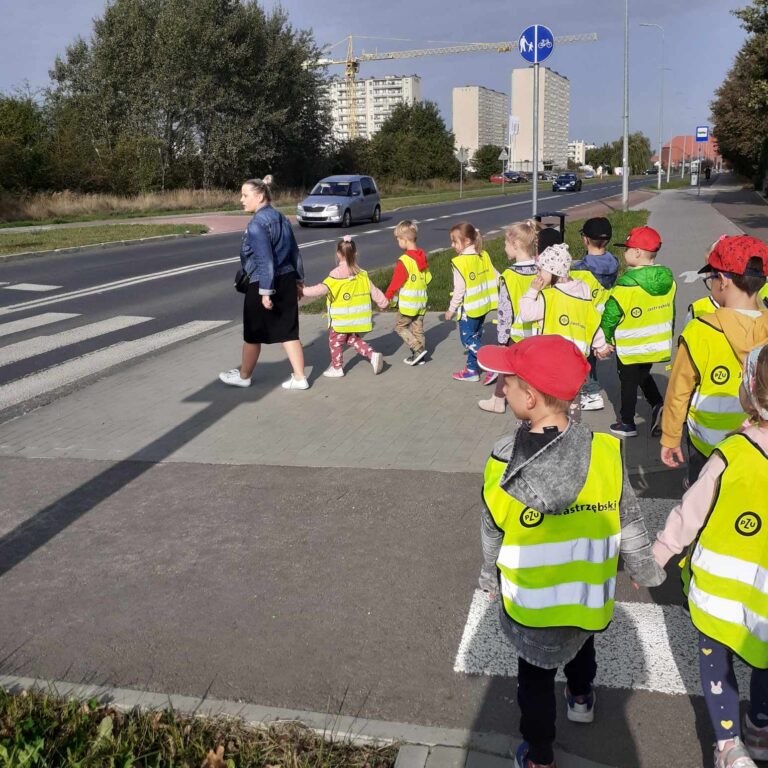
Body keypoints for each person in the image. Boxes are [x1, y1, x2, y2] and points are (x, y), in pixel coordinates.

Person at [476, 334, 665, 768]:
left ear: (530, 396)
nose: (500, 388)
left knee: (534, 681)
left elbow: (492, 530)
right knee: (581, 647)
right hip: (586, 593)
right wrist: (643, 567)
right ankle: (582, 697)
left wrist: (490, 575)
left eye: (507, 382)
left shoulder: (503, 462)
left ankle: (540, 754)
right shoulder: (605, 451)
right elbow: (628, 516)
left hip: (532, 602)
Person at [652, 344, 768, 768]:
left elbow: (690, 512)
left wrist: (661, 551)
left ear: (750, 393)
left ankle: (728, 745)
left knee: (716, 662)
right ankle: (759, 727)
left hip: (719, 591)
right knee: (765, 660)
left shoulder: (731, 454)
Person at [660, 235, 768, 483]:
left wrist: (670, 437)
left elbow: (679, 391)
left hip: (708, 441)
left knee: (706, 501)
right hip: (759, 440)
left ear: (723, 280)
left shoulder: (699, 330)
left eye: (711, 279)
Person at [219, 176, 308, 390]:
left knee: (253, 333)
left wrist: (265, 292)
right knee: (289, 331)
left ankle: (244, 376)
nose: (241, 200)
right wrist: (298, 280)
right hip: (287, 278)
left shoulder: (257, 223)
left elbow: (264, 259)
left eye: (245, 195)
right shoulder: (281, 218)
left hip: (262, 282)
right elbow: (295, 252)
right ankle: (299, 377)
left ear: (259, 196)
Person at [600, 226, 676, 437]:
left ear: (637, 253)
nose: (624, 253)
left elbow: (610, 316)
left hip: (630, 347)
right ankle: (658, 404)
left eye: (626, 249)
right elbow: (671, 311)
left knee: (628, 383)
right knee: (643, 375)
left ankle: (627, 423)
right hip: (656, 343)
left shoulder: (625, 287)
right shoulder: (669, 282)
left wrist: (604, 340)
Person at [301, 236, 387, 377]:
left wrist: (302, 291)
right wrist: (383, 303)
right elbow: (374, 291)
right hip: (356, 319)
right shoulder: (362, 274)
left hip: (340, 320)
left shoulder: (335, 275)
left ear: (338, 254)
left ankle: (337, 368)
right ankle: (372, 355)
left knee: (334, 342)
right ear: (355, 253)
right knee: (352, 339)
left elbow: (320, 289)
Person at [478, 220, 539, 413]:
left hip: (517, 334)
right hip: (538, 333)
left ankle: (512, 402)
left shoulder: (509, 276)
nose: (504, 247)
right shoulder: (541, 271)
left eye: (505, 243)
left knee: (509, 369)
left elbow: (505, 311)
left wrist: (502, 339)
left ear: (515, 244)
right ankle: (498, 399)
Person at [516, 242, 608, 359]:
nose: (537, 273)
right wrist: (601, 346)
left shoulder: (549, 297)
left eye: (540, 269)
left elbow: (526, 314)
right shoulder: (583, 295)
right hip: (577, 357)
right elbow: (592, 322)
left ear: (553, 271)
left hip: (552, 357)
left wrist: (532, 291)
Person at [570, 217, 620, 412]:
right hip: (604, 316)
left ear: (585, 239)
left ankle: (592, 394)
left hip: (586, 319)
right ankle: (590, 391)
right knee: (590, 357)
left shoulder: (581, 270)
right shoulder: (614, 263)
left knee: (586, 358)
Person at [444, 222, 498, 382]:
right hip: (483, 307)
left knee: (467, 340)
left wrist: (450, 310)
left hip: (469, 310)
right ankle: (471, 370)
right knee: (475, 338)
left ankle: (491, 364)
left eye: (454, 241)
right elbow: (496, 276)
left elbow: (459, 290)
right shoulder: (483, 255)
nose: (452, 245)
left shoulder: (460, 263)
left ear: (467, 241)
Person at [383, 220, 431, 365]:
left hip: (409, 304)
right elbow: (428, 278)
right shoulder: (422, 257)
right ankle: (420, 356)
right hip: (421, 301)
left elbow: (396, 282)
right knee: (418, 328)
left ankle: (417, 349)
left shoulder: (404, 260)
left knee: (400, 326)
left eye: (398, 239)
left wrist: (387, 297)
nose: (397, 242)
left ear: (404, 240)